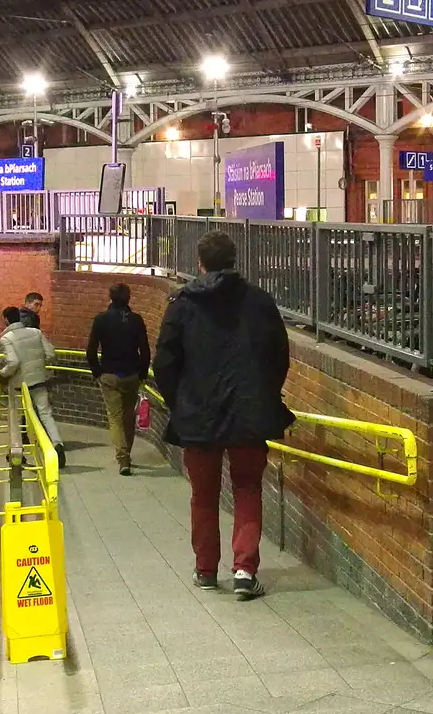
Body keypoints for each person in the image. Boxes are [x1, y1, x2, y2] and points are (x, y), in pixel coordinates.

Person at [154, 231, 294, 600]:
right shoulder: (260, 303)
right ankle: (245, 570)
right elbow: (279, 355)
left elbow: (164, 362)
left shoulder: (182, 305)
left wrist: (180, 401)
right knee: (247, 489)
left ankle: (205, 570)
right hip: (250, 415)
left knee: (203, 495)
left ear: (200, 263)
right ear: (234, 260)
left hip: (198, 418)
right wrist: (265, 395)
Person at [86, 283, 151, 476]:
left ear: (111, 297)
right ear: (128, 297)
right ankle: (127, 454)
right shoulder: (136, 320)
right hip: (131, 374)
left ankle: (123, 457)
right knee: (128, 415)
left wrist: (97, 372)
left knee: (115, 418)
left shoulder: (101, 320)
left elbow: (91, 350)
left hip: (109, 374)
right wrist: (143, 373)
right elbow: (145, 350)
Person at [0, 305, 65, 467]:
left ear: (6, 320)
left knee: (15, 418)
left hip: (18, 384)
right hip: (39, 380)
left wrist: (3, 374)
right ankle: (57, 445)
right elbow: (51, 353)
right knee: (45, 413)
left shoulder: (7, 339)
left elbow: (13, 362)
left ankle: (17, 453)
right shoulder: (36, 333)